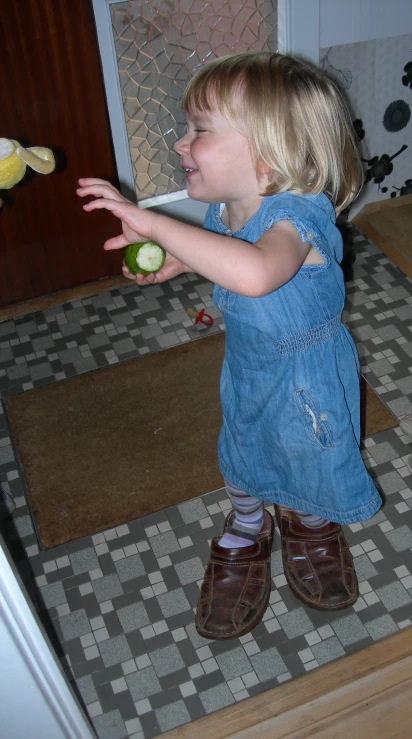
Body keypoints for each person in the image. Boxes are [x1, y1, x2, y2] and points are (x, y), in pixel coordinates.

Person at [77, 51, 382, 640]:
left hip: (305, 380)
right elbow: (231, 263)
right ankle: (248, 525)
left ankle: (309, 519)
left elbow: (256, 274)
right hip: (250, 365)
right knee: (242, 447)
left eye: (199, 130)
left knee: (307, 456)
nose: (179, 143)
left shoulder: (298, 218)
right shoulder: (228, 210)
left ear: (267, 153)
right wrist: (178, 260)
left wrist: (159, 225)